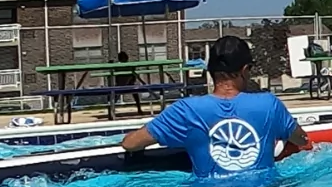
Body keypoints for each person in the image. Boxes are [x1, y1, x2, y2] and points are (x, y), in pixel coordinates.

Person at [120, 35, 308, 179]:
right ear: (244, 71)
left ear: (210, 71)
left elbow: (130, 143)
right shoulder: (269, 104)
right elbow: (301, 139)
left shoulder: (186, 110)